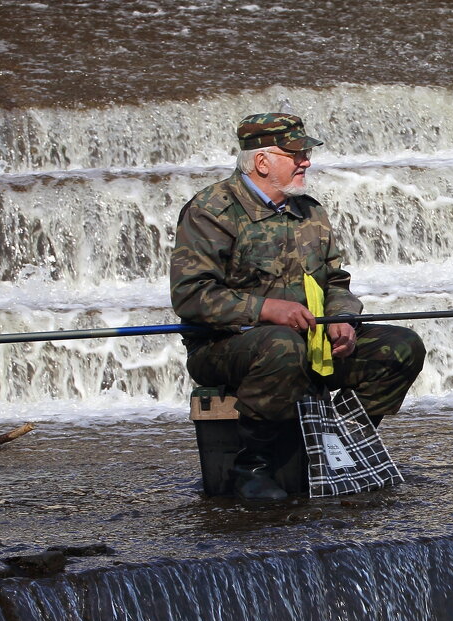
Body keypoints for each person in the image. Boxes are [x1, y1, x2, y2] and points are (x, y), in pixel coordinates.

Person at [170, 112, 425, 501]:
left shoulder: (310, 211)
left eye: (305, 152)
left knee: (402, 347)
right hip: (225, 347)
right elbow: (191, 295)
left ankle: (341, 445)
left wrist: (342, 319)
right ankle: (251, 466)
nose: (306, 160)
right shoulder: (210, 211)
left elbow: (335, 281)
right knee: (281, 347)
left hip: (313, 341)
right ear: (262, 162)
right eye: (297, 153)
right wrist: (265, 309)